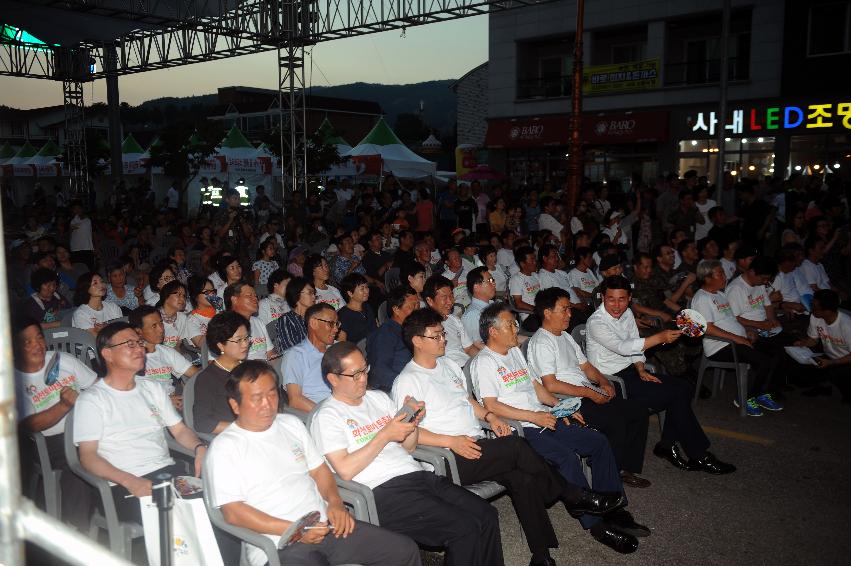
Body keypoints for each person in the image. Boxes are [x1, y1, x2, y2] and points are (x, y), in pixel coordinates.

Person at [394, 308, 625, 566]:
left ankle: (541, 556)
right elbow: (406, 433)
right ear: (417, 341)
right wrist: (451, 441)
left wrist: (490, 418)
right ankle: (574, 494)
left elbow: (468, 401)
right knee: (517, 445)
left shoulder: (448, 365)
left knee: (524, 478)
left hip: (478, 445)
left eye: (443, 334)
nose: (444, 340)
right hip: (449, 456)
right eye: (436, 336)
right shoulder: (407, 381)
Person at [206, 360, 421, 566]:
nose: (267, 404)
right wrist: (295, 529)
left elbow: (320, 471)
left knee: (403, 551)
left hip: (326, 527)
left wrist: (335, 503)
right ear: (235, 405)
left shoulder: (291, 425)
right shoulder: (225, 447)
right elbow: (233, 513)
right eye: (256, 398)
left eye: (272, 393)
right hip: (280, 543)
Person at [311, 342, 504, 566]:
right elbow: (344, 470)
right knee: (463, 528)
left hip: (417, 476)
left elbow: (409, 448)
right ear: (333, 379)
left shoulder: (379, 399)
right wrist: (384, 435)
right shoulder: (327, 416)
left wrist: (412, 424)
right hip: (382, 492)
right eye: (355, 374)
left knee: (487, 514)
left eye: (365, 370)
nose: (363, 378)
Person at [470, 302, 641, 553]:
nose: (516, 327)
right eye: (510, 324)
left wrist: (561, 406)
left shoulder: (515, 352)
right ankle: (595, 524)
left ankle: (612, 506)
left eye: (515, 323)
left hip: (543, 417)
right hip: (521, 428)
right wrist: (534, 416)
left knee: (598, 442)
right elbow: (492, 406)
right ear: (493, 331)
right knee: (566, 458)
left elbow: (537, 386)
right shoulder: (483, 362)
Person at [585, 276, 736, 475]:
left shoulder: (628, 313)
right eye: (611, 299)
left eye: (622, 299)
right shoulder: (596, 322)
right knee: (676, 394)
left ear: (630, 298)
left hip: (631, 372)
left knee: (683, 388)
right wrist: (659, 338)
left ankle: (671, 445)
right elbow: (622, 347)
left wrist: (640, 368)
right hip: (612, 380)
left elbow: (635, 347)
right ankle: (694, 452)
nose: (616, 304)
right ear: (603, 297)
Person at [73, 322, 208, 524]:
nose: (139, 349)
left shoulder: (152, 388)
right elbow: (87, 456)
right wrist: (130, 481)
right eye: (130, 344)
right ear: (107, 354)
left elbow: (179, 431)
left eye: (139, 343)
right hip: (123, 484)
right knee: (185, 521)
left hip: (166, 474)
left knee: (219, 502)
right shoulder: (92, 399)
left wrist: (199, 447)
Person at [528, 288, 652, 487]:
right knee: (615, 421)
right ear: (547, 313)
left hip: (585, 391)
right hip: (567, 400)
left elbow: (586, 366)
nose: (570, 313)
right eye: (565, 309)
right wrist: (590, 392)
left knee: (638, 412)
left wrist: (603, 381)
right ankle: (608, 474)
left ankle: (623, 468)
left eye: (569, 309)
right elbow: (550, 384)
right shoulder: (542, 342)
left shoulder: (565, 336)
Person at [14, 316, 96, 530]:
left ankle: (114, 513)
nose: (37, 345)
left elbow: (97, 386)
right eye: (27, 342)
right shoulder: (13, 381)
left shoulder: (62, 360)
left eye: (39, 338)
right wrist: (63, 406)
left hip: (87, 429)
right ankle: (78, 530)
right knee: (78, 465)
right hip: (49, 443)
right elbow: (30, 425)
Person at [691, 261, 781, 416]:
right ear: (707, 278)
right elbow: (708, 328)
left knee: (776, 352)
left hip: (736, 340)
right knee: (762, 360)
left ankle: (760, 393)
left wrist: (747, 331)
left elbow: (732, 319)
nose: (725, 277)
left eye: (724, 273)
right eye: (720, 274)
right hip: (720, 346)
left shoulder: (720, 294)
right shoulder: (702, 298)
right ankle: (744, 398)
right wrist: (738, 339)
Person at [130, 306, 199, 410]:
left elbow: (196, 373)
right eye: (154, 326)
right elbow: (133, 395)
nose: (161, 329)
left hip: (173, 403)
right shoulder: (130, 359)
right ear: (139, 332)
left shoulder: (166, 352)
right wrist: (166, 401)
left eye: (161, 323)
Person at [193, 312, 250, 435]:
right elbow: (202, 423)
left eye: (246, 338)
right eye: (239, 340)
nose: (245, 344)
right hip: (232, 438)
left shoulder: (249, 369)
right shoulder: (207, 379)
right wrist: (244, 428)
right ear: (221, 346)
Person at [794, 289, 851, 402]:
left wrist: (831, 362)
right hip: (830, 355)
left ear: (827, 311)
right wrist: (802, 344)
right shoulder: (816, 317)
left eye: (814, 306)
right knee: (803, 365)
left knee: (840, 374)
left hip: (846, 360)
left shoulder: (847, 325)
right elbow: (813, 340)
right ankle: (823, 386)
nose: (811, 308)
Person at [283, 303, 338, 412]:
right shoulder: (296, 355)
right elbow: (295, 399)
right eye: (331, 324)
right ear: (313, 323)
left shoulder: (338, 348)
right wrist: (326, 415)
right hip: (323, 412)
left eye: (337, 324)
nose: (336, 329)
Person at [365, 285, 419, 392]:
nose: (417, 310)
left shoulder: (412, 328)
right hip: (395, 389)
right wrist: (411, 384)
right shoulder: (385, 335)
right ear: (396, 309)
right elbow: (380, 372)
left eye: (417, 305)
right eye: (411, 307)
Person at [423, 275, 481, 367]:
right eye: (444, 297)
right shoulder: (424, 326)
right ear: (430, 300)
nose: (450, 301)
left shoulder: (454, 319)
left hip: (467, 366)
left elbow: (469, 348)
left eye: (451, 296)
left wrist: (485, 360)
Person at [225, 282, 276, 361]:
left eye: (255, 296)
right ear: (234, 300)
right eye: (249, 295)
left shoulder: (258, 322)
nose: (255, 298)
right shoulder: (223, 325)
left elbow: (270, 353)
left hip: (264, 369)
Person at [275, 277, 315, 352]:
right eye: (310, 293)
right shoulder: (286, 320)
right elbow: (290, 350)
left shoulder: (316, 317)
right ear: (296, 294)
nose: (314, 296)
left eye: (314, 293)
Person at [338, 273, 376, 345]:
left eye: (367, 287)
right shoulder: (343, 316)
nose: (367, 291)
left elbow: (375, 330)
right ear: (350, 293)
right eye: (362, 288)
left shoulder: (367, 306)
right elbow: (342, 345)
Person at [509, 245, 541, 329]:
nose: (535, 262)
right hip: (529, 317)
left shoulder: (535, 276)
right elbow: (519, 304)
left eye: (535, 259)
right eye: (532, 259)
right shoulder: (516, 279)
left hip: (540, 312)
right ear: (522, 264)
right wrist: (537, 310)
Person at [461, 266, 496, 341]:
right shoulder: (473, 314)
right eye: (489, 280)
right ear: (476, 286)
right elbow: (476, 346)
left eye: (493, 280)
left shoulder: (493, 305)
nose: (494, 283)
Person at [183, 276, 218, 349]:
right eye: (207, 292)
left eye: (213, 291)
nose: (212, 295)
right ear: (195, 296)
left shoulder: (219, 311)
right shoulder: (192, 320)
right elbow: (200, 344)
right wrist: (214, 322)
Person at [157, 280, 189, 349]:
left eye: (184, 296)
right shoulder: (154, 317)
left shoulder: (182, 318)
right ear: (166, 296)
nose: (182, 299)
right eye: (178, 295)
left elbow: (177, 345)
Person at [69, 201, 95, 270]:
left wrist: (95, 247)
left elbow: (93, 234)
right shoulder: (72, 221)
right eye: (75, 208)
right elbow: (72, 229)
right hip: (75, 249)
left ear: (82, 209)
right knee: (78, 270)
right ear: (72, 210)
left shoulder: (88, 220)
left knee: (89, 269)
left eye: (79, 208)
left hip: (87, 248)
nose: (77, 210)